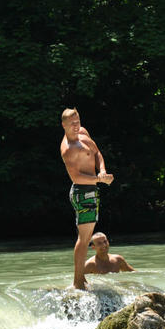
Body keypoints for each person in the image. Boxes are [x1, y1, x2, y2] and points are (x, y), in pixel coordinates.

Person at [60, 107, 114, 289]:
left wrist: (103, 170)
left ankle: (80, 279)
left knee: (86, 235)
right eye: (72, 124)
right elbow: (75, 177)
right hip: (82, 192)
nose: (76, 126)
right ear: (64, 125)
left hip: (92, 189)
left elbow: (97, 152)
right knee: (84, 239)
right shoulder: (68, 149)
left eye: (78, 121)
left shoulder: (83, 133)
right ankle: (78, 280)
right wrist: (99, 179)